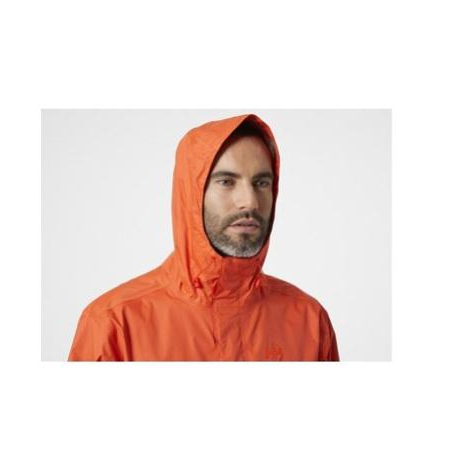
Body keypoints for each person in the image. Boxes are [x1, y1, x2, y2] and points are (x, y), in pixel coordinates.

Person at [68, 114, 339, 361]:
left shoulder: (309, 321)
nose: (250, 201)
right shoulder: (114, 323)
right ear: (192, 194)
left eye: (261, 183)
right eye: (226, 181)